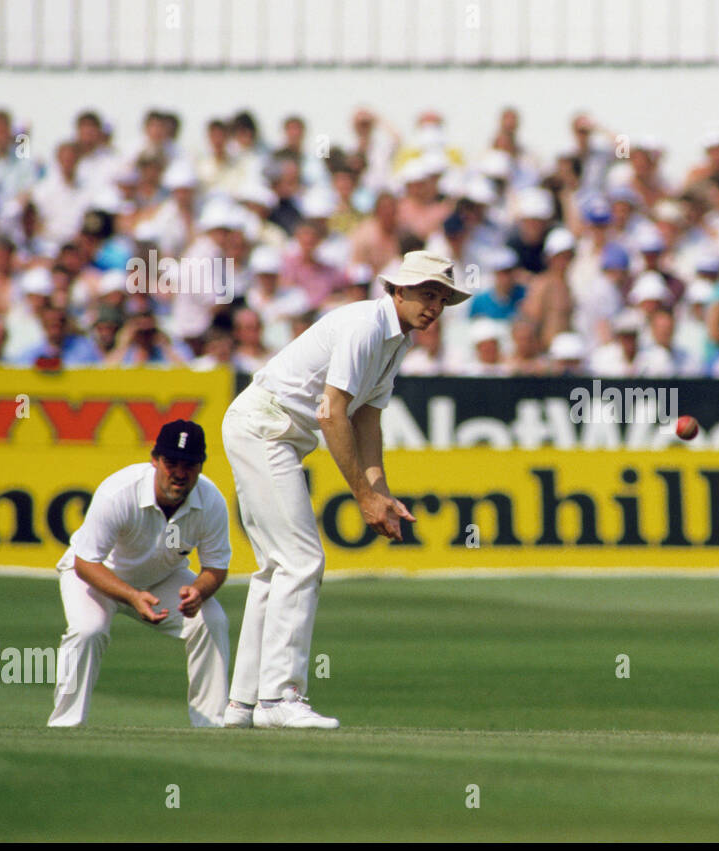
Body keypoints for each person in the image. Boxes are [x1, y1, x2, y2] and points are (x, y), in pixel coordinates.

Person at [220, 250, 470, 729]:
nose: (434, 306)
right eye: (426, 294)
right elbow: (331, 413)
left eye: (441, 298)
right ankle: (279, 699)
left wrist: (381, 492)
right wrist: (362, 496)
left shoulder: (397, 342)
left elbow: (366, 418)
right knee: (302, 560)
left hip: (271, 430)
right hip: (263, 425)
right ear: (397, 291)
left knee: (276, 567)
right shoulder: (365, 326)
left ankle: (243, 704)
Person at [48, 420, 232, 727]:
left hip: (161, 579)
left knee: (212, 620)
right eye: (171, 462)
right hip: (97, 577)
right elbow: (85, 563)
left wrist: (199, 590)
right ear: (155, 460)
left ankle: (211, 725)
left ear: (201, 466)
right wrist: (132, 596)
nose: (179, 472)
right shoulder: (119, 492)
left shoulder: (211, 501)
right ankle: (65, 725)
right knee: (88, 629)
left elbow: (216, 567)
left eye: (189, 464)